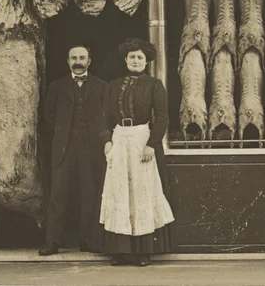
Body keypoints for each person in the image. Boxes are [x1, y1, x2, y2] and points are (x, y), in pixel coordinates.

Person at [100, 38, 175, 267]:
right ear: (126, 60)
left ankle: (144, 251)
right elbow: (103, 116)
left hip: (141, 138)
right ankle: (120, 251)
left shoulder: (154, 85)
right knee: (120, 191)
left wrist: (151, 144)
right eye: (132, 56)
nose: (135, 60)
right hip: (119, 138)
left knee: (141, 191)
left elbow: (162, 117)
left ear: (146, 62)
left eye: (140, 57)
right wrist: (106, 141)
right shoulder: (113, 85)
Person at [40, 44, 110, 256]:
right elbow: (49, 116)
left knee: (89, 193)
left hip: (91, 149)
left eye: (82, 57)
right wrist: (65, 133)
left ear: (89, 61)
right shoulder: (56, 86)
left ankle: (87, 239)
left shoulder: (101, 86)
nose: (78, 61)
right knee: (58, 194)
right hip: (64, 147)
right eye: (73, 58)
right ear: (67, 62)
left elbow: (107, 114)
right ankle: (52, 241)